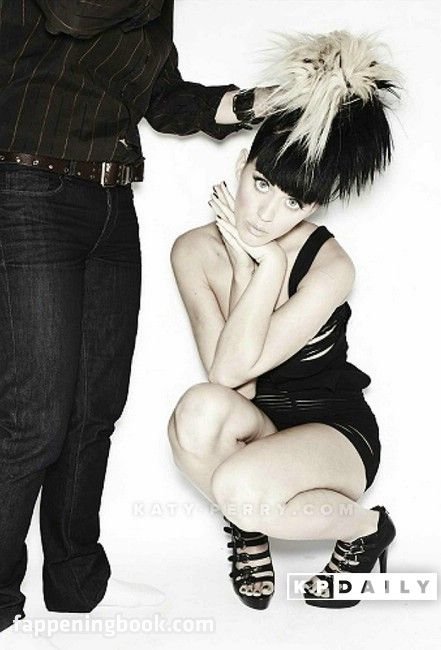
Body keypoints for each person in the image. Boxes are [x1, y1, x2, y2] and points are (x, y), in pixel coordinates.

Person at [0, 0, 274, 633]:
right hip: (27, 187)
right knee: (32, 417)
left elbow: (163, 97)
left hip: (111, 200)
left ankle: (76, 584)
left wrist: (254, 103)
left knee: (94, 410)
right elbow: (73, 14)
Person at [168, 30, 403, 609]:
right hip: (259, 426)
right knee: (197, 412)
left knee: (239, 487)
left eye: (292, 203)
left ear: (313, 206)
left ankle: (366, 528)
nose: (265, 214)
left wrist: (269, 262)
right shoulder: (193, 251)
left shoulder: (330, 265)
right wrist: (247, 264)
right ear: (242, 163)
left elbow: (240, 367)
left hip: (334, 435)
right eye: (261, 184)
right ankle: (249, 525)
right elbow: (233, 381)